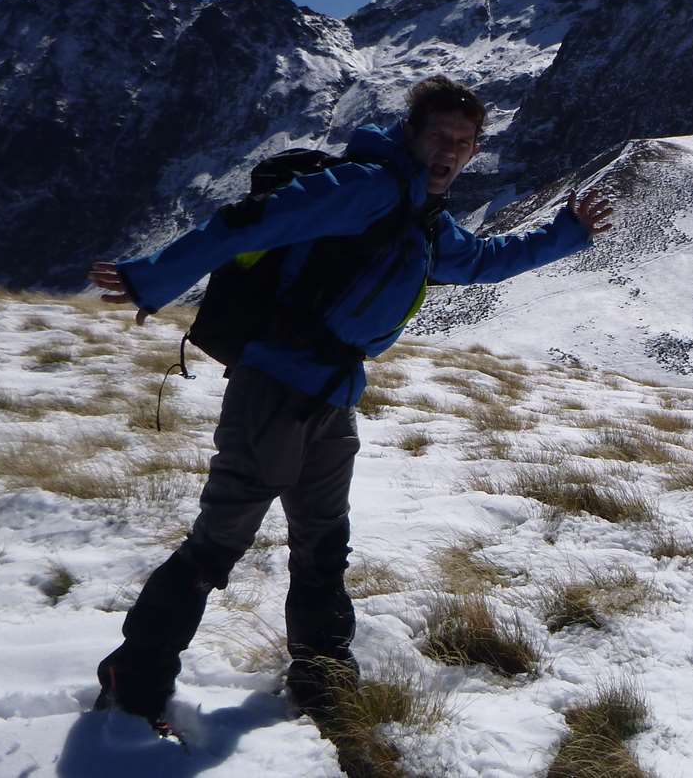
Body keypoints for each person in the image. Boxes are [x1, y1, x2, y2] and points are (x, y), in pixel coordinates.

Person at [85, 75, 614, 725]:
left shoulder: (423, 219)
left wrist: (566, 234)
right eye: (440, 136)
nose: (450, 150)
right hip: (274, 390)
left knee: (323, 542)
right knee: (217, 544)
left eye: (465, 141)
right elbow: (253, 222)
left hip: (333, 398)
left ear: (476, 151)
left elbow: (481, 260)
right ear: (412, 135)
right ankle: (132, 681)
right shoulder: (366, 188)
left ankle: (322, 670)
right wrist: (153, 277)